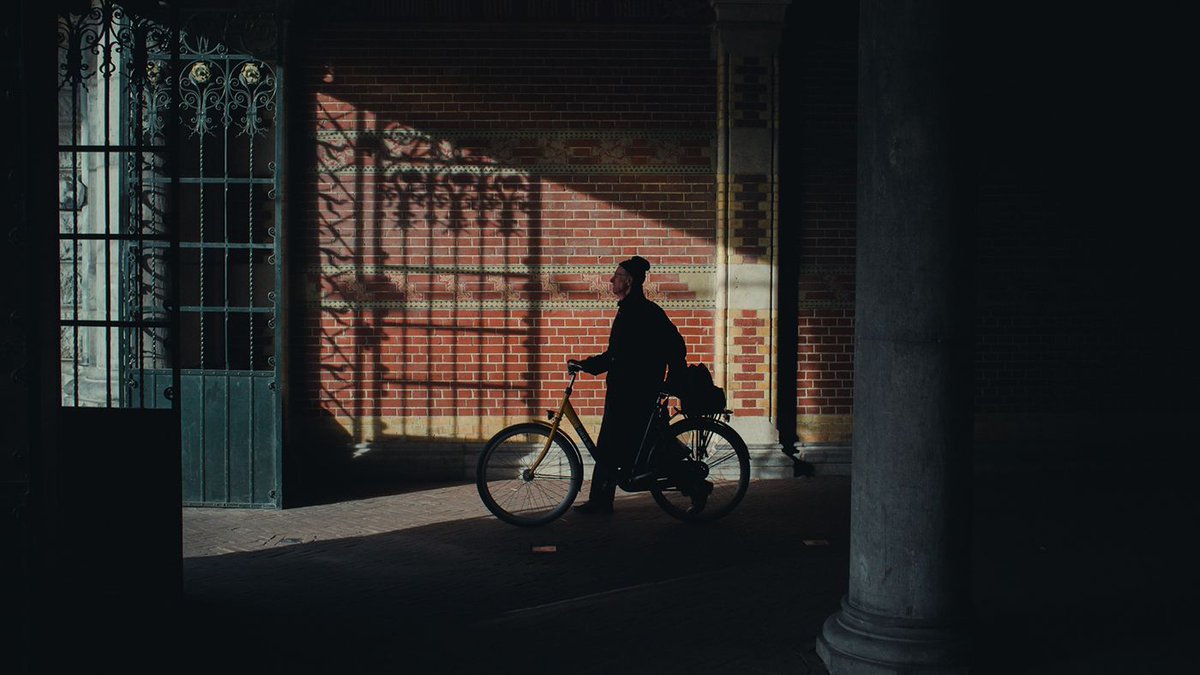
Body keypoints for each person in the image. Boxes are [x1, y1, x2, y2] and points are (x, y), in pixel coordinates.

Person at [569, 255, 688, 514]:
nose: (612, 279)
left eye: (618, 275)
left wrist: (671, 380)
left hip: (634, 393)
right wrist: (589, 365)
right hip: (629, 390)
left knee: (619, 445)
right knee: (624, 445)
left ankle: (691, 484)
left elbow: (670, 346)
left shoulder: (642, 312)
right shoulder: (632, 309)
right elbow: (618, 354)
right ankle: (602, 500)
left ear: (630, 281)